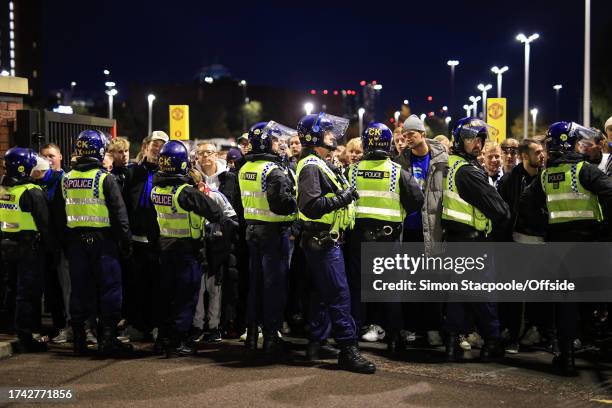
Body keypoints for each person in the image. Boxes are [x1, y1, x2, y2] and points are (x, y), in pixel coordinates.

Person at [519, 121, 612, 375]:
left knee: (565, 304)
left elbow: (525, 205)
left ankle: (567, 356)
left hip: (558, 247)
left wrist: (545, 226)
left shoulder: (546, 176)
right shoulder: (585, 170)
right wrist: (605, 227)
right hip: (589, 245)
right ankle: (595, 344)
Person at [296, 112, 376, 374]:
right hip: (323, 240)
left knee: (322, 295)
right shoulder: (310, 166)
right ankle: (348, 350)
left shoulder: (319, 163)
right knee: (340, 295)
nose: (333, 135)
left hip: (325, 239)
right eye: (328, 131)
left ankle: (317, 343)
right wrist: (344, 197)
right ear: (315, 137)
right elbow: (310, 205)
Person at [346, 122, 424, 354]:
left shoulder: (351, 170)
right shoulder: (398, 171)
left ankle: (352, 339)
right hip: (388, 240)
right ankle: (394, 339)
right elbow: (416, 201)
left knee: (357, 290)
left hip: (357, 239)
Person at [57, 129, 133, 356]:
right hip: (103, 243)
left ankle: (79, 340)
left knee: (79, 290)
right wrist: (126, 243)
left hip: (75, 243)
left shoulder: (66, 178)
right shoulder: (104, 178)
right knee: (110, 289)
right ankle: (108, 339)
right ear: (100, 151)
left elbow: (62, 214)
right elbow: (120, 215)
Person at [441, 117, 510, 362]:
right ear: (460, 140)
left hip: (454, 240)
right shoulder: (468, 171)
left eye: (480, 139)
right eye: (472, 138)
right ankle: (492, 342)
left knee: (457, 295)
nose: (478, 144)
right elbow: (501, 210)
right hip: (473, 242)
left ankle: (451, 343)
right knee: (484, 295)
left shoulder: (448, 164)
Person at [151, 141, 224, 357]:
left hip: (165, 249)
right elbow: (214, 212)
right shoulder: (186, 193)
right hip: (186, 252)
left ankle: (163, 339)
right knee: (185, 298)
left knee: (166, 297)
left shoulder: (156, 189)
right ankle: (181, 340)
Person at [238, 121, 297, 354]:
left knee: (255, 286)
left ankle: (252, 335)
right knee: (274, 288)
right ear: (264, 142)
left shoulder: (245, 167)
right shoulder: (273, 171)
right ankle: (271, 337)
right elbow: (282, 205)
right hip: (274, 234)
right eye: (275, 140)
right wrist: (297, 204)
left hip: (253, 232)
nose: (279, 144)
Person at [394, 114, 448, 346]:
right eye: (405, 135)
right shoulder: (400, 161)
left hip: (433, 230)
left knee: (432, 282)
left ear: (423, 134)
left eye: (412, 134)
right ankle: (412, 327)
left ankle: (433, 327)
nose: (407, 138)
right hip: (410, 230)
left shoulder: (443, 160)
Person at [496, 138, 546, 354]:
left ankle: (537, 331)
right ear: (525, 156)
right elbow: (504, 213)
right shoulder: (509, 180)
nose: (542, 155)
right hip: (516, 242)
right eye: (537, 152)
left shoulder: (547, 177)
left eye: (542, 151)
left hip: (542, 243)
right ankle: (513, 334)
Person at [121, 130, 169, 343]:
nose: (158, 149)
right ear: (146, 147)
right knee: (136, 285)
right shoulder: (132, 173)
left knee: (159, 286)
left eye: (162, 146)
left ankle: (158, 325)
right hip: (136, 240)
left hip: (160, 241)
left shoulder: (170, 175)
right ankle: (137, 325)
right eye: (155, 145)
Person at [0, 148, 50, 352]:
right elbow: (44, 223)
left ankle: (9, 325)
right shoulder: (31, 191)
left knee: (10, 287)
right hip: (29, 247)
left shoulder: (3, 190)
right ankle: (26, 334)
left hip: (6, 245)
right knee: (27, 292)